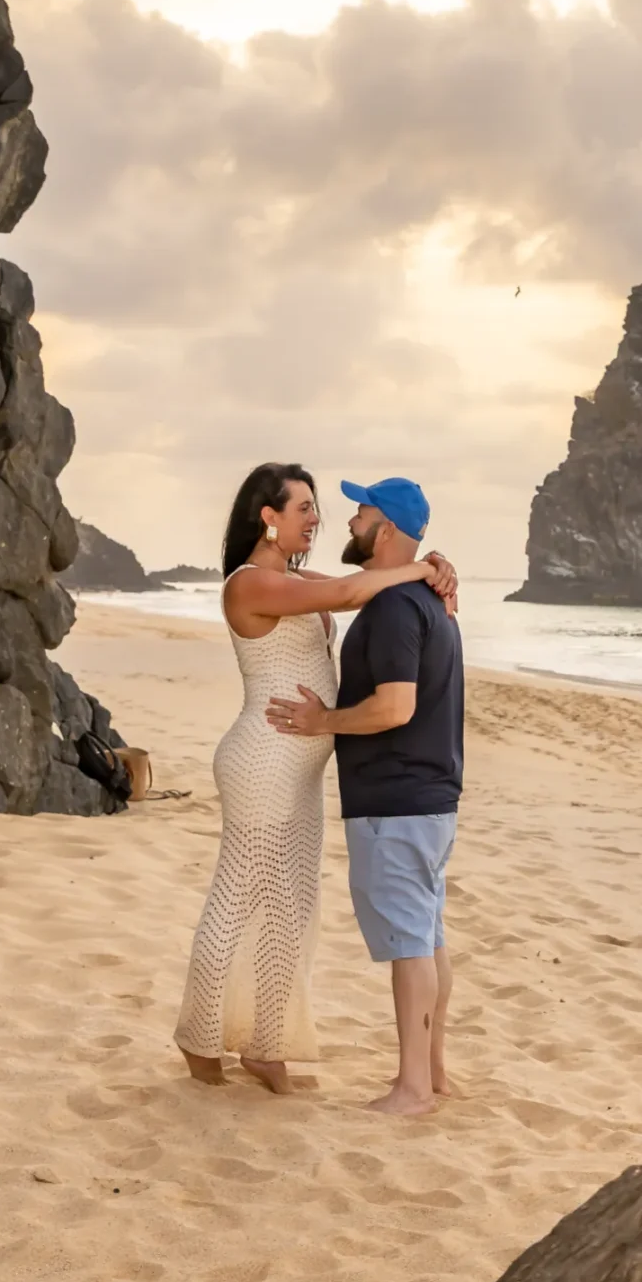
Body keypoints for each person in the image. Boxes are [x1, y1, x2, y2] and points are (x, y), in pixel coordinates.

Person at [176, 463, 455, 1095]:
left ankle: (266, 1048)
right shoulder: (249, 584)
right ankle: (199, 1038)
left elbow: (366, 584)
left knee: (291, 907)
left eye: (315, 507)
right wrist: (421, 568)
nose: (316, 518)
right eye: (303, 507)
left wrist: (436, 564)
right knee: (238, 897)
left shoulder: (296, 579)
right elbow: (355, 593)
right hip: (262, 761)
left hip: (299, 771)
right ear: (268, 517)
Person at [266, 477, 465, 1117]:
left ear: (385, 531)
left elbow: (394, 707)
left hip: (396, 801)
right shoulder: (425, 599)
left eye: (361, 512)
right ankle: (433, 1075)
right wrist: (431, 564)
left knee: (411, 944)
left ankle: (412, 1089)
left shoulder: (395, 608)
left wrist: (323, 721)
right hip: (428, 799)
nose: (350, 520)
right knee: (427, 937)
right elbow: (333, 587)